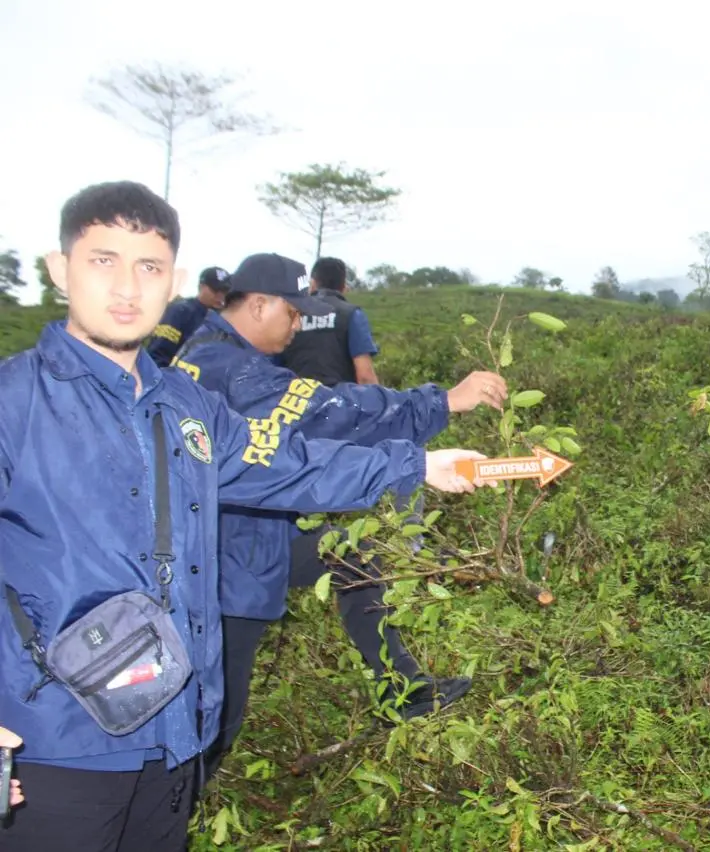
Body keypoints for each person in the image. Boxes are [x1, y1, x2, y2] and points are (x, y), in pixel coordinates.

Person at [0, 180, 488, 851]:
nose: (126, 288)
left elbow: (289, 461)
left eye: (147, 267)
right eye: (102, 260)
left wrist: (418, 464)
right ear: (61, 271)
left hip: (174, 732)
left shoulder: (184, 404)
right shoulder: (15, 403)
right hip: (56, 743)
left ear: (170, 278)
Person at [169, 252, 508, 782]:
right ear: (258, 305)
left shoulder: (211, 352)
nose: (299, 324)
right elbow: (332, 414)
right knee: (213, 721)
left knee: (356, 556)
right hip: (221, 566)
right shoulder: (230, 370)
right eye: (293, 311)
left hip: (247, 536)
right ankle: (163, 814)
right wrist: (442, 403)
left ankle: (404, 689)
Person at [278, 256, 381, 386]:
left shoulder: (291, 314)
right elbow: (365, 377)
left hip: (294, 402)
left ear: (312, 284)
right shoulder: (352, 314)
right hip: (338, 402)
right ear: (344, 287)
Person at [146, 265, 232, 367]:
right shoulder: (179, 311)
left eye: (224, 292)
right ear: (201, 286)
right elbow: (157, 353)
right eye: (216, 291)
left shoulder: (223, 321)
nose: (220, 296)